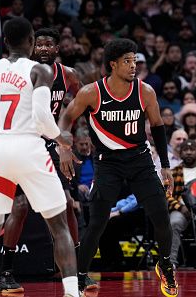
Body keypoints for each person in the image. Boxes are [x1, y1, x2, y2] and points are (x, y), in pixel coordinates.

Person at [0, 18, 78, 297]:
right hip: (29, 146)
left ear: (4, 42)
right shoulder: (39, 70)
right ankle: (73, 292)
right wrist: (61, 138)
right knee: (59, 225)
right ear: (30, 42)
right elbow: (41, 117)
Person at [58, 38, 178, 296]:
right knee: (98, 223)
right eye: (127, 61)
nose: (133, 65)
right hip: (107, 163)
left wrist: (165, 166)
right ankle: (80, 277)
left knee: (161, 215)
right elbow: (65, 119)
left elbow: (157, 125)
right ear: (113, 64)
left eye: (134, 60)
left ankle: (165, 265)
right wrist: (64, 148)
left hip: (140, 160)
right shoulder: (92, 92)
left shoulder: (145, 91)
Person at [0, 28, 81, 294]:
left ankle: (77, 271)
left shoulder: (68, 75)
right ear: (33, 48)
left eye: (49, 45)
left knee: (67, 204)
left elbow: (80, 102)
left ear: (57, 48)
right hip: (26, 141)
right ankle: (5, 272)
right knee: (20, 206)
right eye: (39, 44)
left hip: (53, 143)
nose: (43, 49)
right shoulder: (23, 72)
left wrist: (66, 136)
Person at [166, 139, 196, 267]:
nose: (188, 153)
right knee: (174, 223)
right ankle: (171, 263)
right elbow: (166, 194)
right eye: (185, 150)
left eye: (192, 150)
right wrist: (180, 207)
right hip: (182, 210)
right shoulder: (172, 173)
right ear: (180, 153)